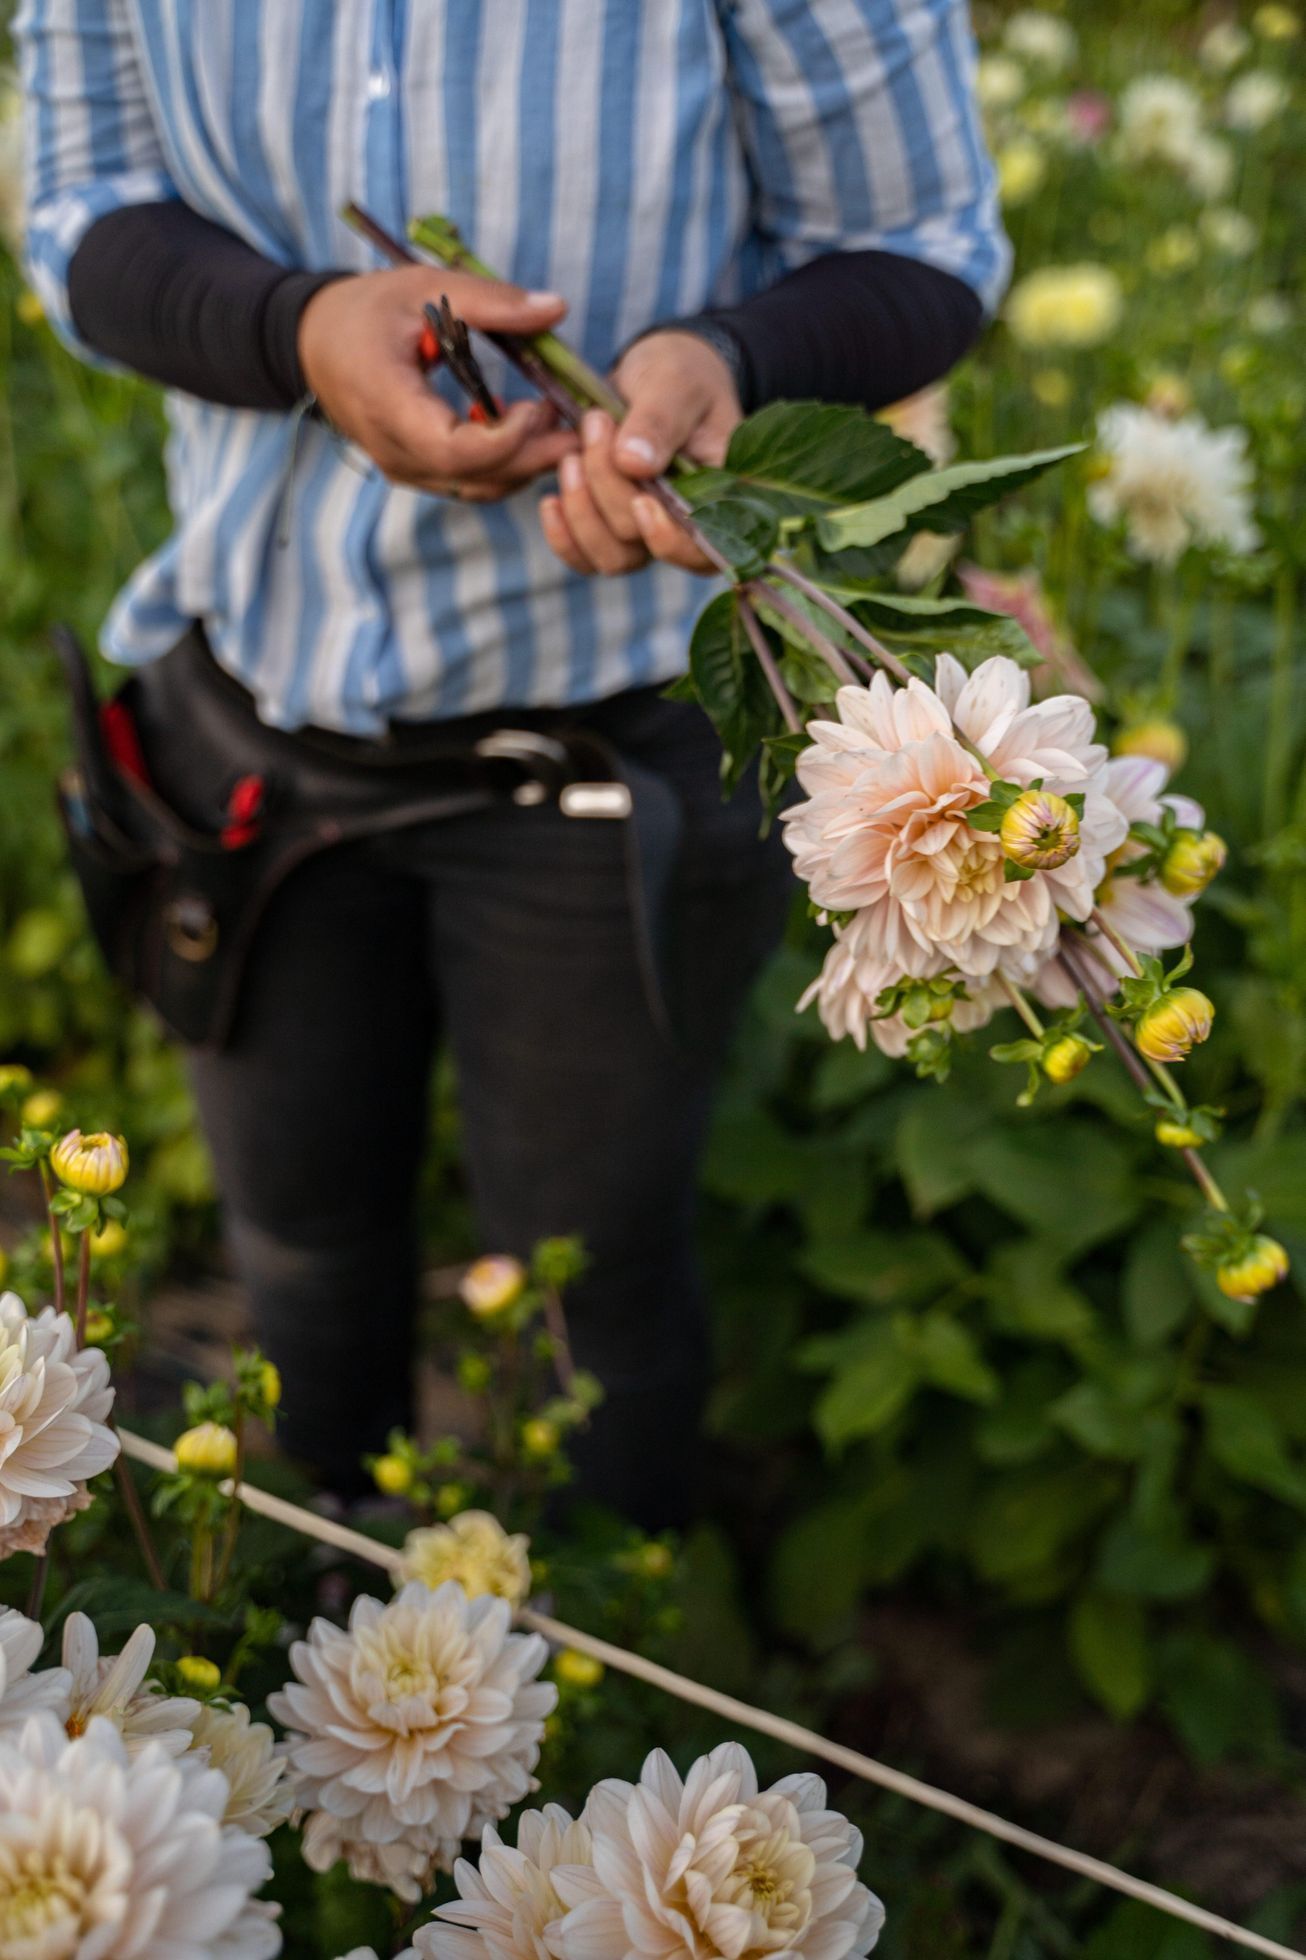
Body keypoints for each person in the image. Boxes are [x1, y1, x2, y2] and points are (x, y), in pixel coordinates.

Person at [18, 0, 1007, 1525]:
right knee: (295, 1242)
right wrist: (296, 332)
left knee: (589, 1291)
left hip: (613, 741)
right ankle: (321, 1583)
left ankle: (595, 1650)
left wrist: (726, 361)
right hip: (252, 710)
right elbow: (83, 217)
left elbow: (924, 243)